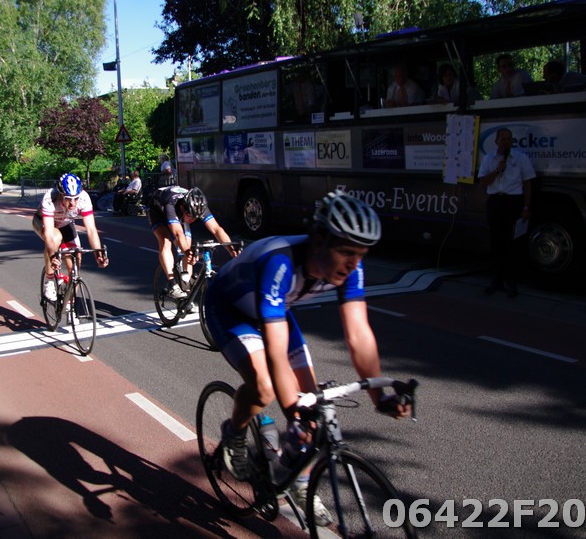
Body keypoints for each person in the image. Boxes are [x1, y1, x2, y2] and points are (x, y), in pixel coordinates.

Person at [204, 190, 411, 516]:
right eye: (346, 252)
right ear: (319, 242)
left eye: (361, 254)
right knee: (265, 387)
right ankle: (234, 434)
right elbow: (276, 353)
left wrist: (380, 396)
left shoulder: (350, 269)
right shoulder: (280, 262)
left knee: (312, 409)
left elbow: (359, 334)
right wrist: (296, 414)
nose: (354, 263)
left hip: (274, 310)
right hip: (228, 308)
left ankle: (298, 481)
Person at [146, 185, 238, 299]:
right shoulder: (171, 205)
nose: (193, 220)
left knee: (188, 245)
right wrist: (187, 252)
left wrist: (231, 249)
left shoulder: (199, 206)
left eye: (196, 217)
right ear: (182, 208)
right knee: (165, 241)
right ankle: (172, 284)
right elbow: (178, 234)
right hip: (157, 210)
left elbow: (216, 229)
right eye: (191, 216)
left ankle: (187, 293)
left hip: (180, 212)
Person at [477, 128, 536, 297]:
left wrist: (526, 208)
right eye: (503, 139)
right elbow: (483, 182)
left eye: (509, 139)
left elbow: (527, 184)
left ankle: (511, 283)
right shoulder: (489, 158)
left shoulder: (520, 158)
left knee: (512, 244)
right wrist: (497, 171)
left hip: (513, 202)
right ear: (496, 141)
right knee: (496, 242)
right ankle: (496, 280)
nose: (506, 141)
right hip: (495, 201)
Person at [33, 173, 109, 301]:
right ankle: (49, 280)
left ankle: (69, 304)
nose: (72, 203)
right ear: (60, 195)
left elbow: (91, 229)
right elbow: (49, 235)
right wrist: (53, 257)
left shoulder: (84, 198)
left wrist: (98, 254)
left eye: (76, 198)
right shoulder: (50, 198)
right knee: (55, 239)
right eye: (68, 199)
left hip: (66, 224)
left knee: (75, 263)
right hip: (44, 223)